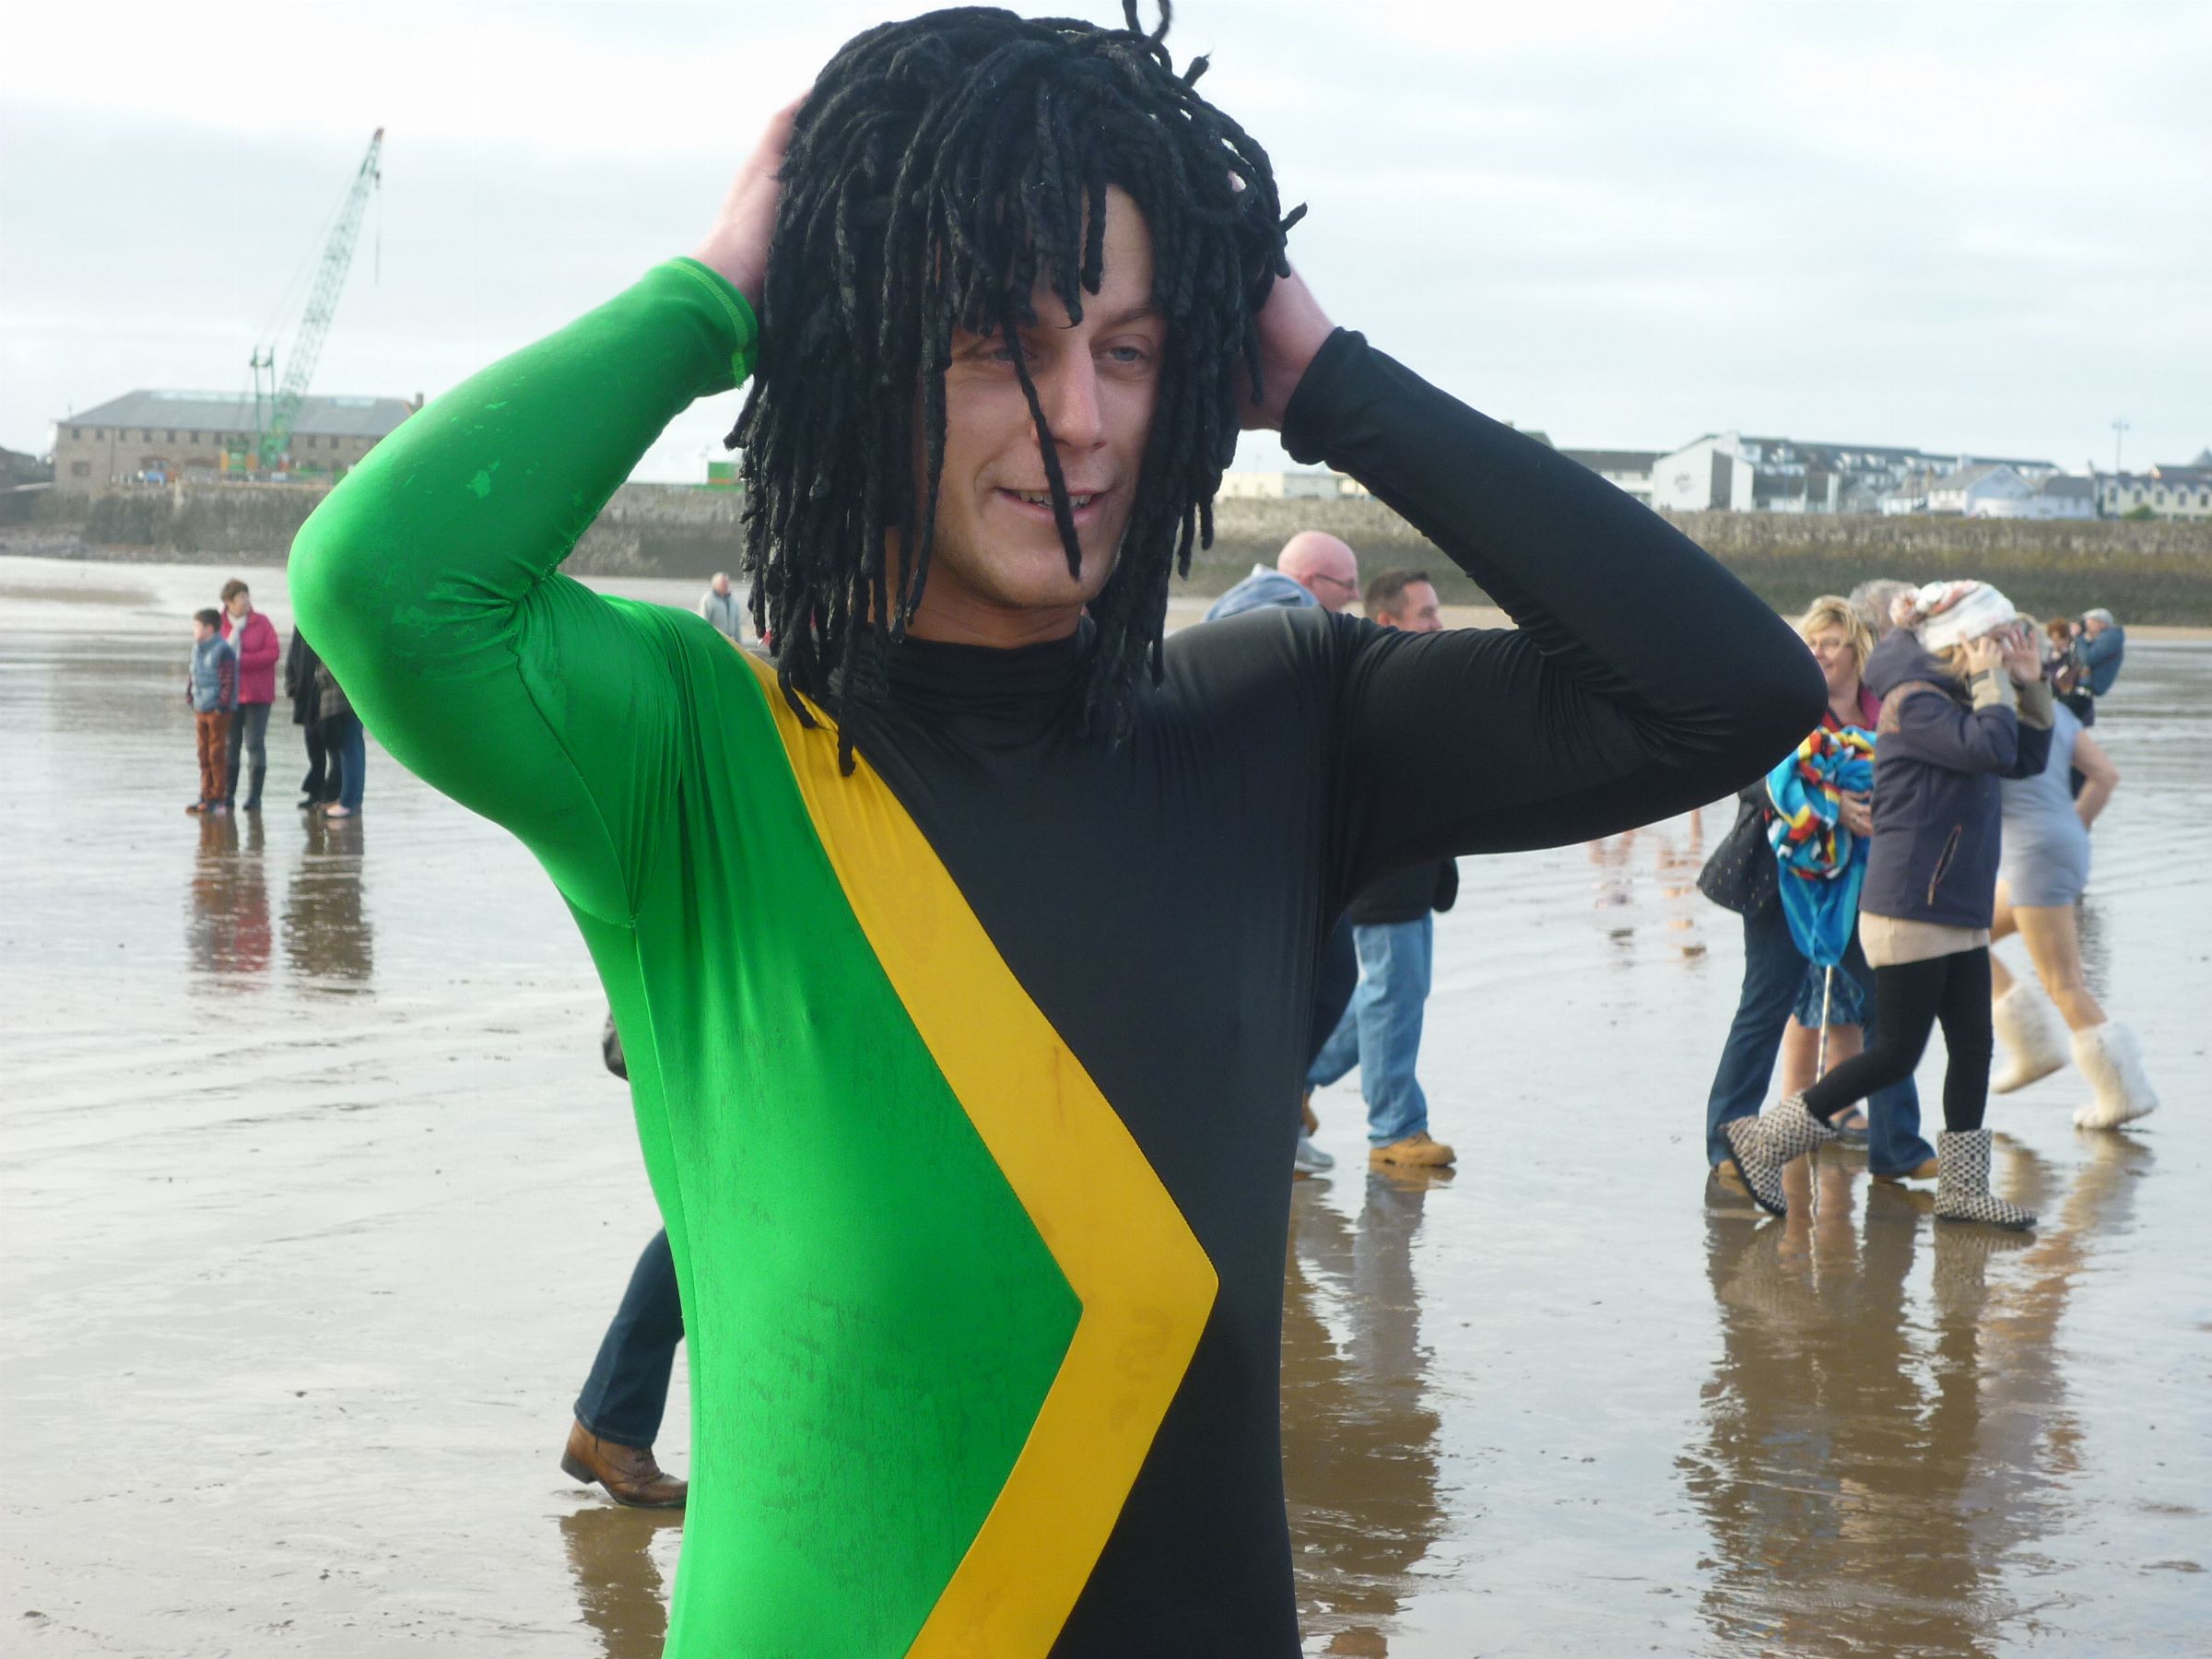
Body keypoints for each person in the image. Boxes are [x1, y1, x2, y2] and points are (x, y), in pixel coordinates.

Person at [290, 11, 1820, 1650]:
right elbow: (379, 585)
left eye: (1132, 348)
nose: (1080, 415)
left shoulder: (1281, 722)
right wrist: (719, 296)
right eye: (991, 340)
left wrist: (1329, 381)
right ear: (856, 351)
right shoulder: (693, 755)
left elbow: (1728, 693)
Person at [1726, 582, 2053, 1231]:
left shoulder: (1951, 697)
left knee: (1974, 1044)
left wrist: (2030, 683)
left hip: (1956, 901)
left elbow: (2023, 758)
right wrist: (1992, 679)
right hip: (1910, 905)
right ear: (1962, 640)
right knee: (1896, 1051)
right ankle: (1763, 1140)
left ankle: (1963, 1189)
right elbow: (1991, 747)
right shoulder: (1913, 703)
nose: (2000, 648)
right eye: (1992, 638)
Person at [1700, 597, 1935, 1188]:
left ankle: (1896, 1146)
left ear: (1858, 649)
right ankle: (1727, 1145)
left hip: (1860, 884)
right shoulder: (1789, 707)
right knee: (1765, 1005)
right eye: (1811, 641)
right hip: (1780, 881)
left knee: (1888, 1006)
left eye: (1830, 642)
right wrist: (1832, 806)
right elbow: (1749, 780)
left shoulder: (1886, 712)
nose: (1818, 652)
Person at [1201, 528, 1364, 1175]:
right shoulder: (1280, 611)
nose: (1351, 601)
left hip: (1274, 847)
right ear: (1312, 580)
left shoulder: (1267, 611)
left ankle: (1270, 1120)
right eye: (1346, 587)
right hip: (1260, 851)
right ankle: (1259, 1127)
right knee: (1316, 987)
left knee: (1317, 987)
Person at [1306, 570, 1458, 1169]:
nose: (1438, 623)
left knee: (1390, 996)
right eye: (1426, 613)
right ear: (1388, 621)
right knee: (1391, 998)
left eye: (1437, 610)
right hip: (1382, 876)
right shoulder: (1374, 683)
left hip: (1415, 873)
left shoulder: (1412, 681)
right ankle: (1395, 1130)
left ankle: (1292, 1080)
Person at [1985, 618, 2158, 1129]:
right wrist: (2073, 828)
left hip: (2033, 855)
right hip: (2063, 845)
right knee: (1964, 936)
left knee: (2064, 982)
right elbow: (2105, 775)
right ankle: (2032, 1047)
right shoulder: (2056, 711)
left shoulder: (1996, 717)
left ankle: (2123, 1091)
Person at [564, 1012, 688, 1508]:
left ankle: (611, 1422)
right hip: (709, 1021)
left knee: (725, 1215)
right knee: (719, 1215)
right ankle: (610, 1425)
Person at [1204, 528, 1361, 620]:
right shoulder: (1284, 624)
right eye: (1349, 584)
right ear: (1310, 581)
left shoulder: (1231, 605)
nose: (1356, 595)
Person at [218, 578, 280, 813]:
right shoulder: (220, 625)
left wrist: (241, 662)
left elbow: (273, 652)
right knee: (231, 745)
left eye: (247, 596)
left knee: (255, 744)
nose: (246, 601)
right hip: (230, 695)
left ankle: (255, 797)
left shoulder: (262, 622)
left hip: (258, 695)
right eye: (241, 597)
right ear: (228, 602)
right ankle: (228, 795)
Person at [185, 607, 237, 816]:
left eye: (197, 627)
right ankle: (205, 795)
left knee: (216, 753)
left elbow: (228, 680)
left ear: (209, 629)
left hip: (217, 710)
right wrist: (190, 697)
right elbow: (193, 675)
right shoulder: (196, 648)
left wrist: (221, 705)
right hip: (200, 707)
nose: (194, 631)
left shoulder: (223, 650)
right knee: (203, 753)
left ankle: (218, 797)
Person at [283, 627, 336, 808]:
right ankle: (316, 792)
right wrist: (291, 684)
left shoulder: (323, 624)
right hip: (305, 693)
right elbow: (293, 654)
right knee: (313, 745)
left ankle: (332, 792)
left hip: (326, 695)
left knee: (333, 746)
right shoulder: (302, 625)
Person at [314, 653, 364, 819]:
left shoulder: (337, 646)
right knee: (353, 749)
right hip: (351, 703)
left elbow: (327, 674)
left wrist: (318, 675)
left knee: (350, 751)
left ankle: (348, 802)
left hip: (342, 704)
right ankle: (351, 800)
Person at [698, 571, 744, 641]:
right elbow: (703, 623)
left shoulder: (733, 601)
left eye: (727, 583)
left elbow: (737, 625)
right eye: (723, 584)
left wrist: (739, 643)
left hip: (730, 641)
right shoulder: (708, 600)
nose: (726, 586)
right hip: (714, 640)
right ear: (715, 585)